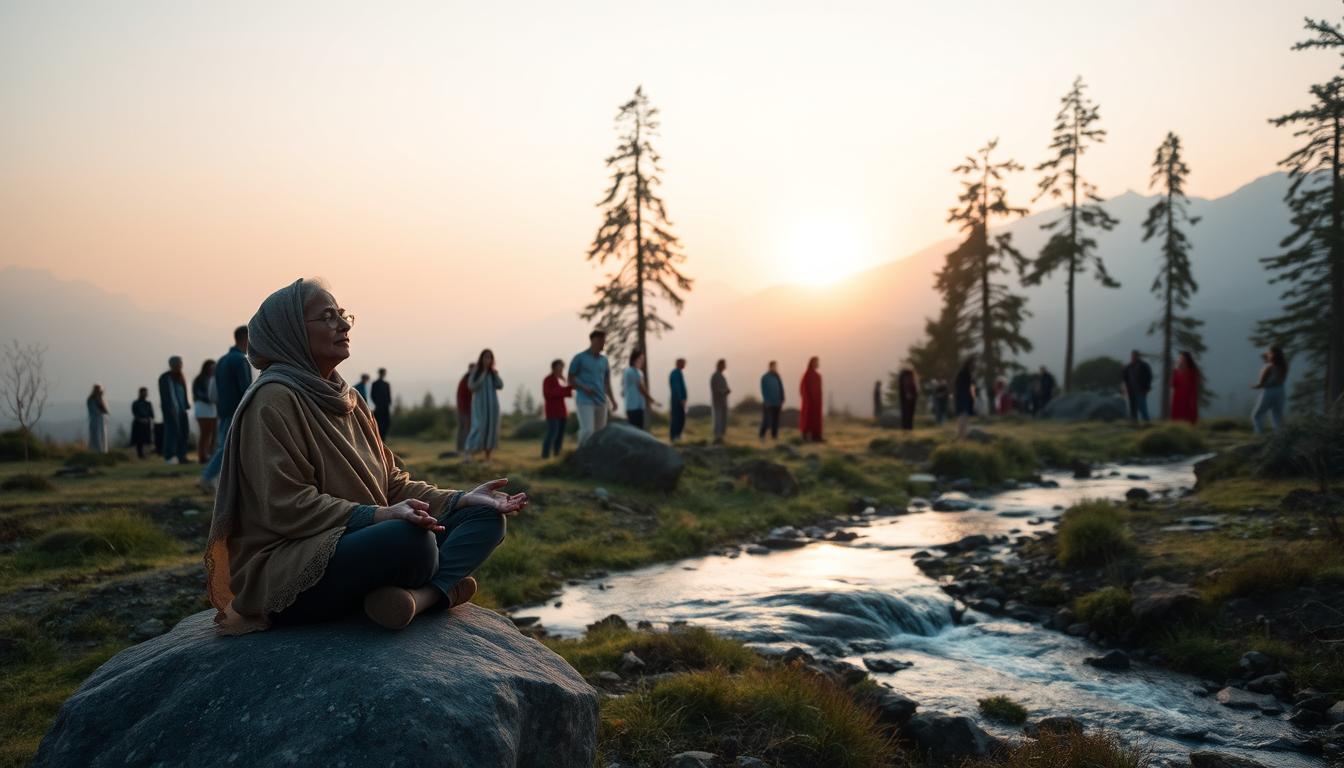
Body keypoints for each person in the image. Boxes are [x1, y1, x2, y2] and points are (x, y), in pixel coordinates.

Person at [204, 278, 525, 635]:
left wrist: (461, 499)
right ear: (291, 331)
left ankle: (418, 599)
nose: (342, 325)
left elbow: (391, 483)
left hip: (359, 544)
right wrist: (378, 515)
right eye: (327, 317)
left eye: (342, 314)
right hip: (291, 564)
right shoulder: (272, 400)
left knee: (486, 518)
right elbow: (285, 505)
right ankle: (442, 589)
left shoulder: (348, 400)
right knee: (410, 541)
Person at [202, 326, 254, 491]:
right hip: (236, 410)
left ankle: (225, 482)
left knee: (226, 446)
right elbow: (246, 389)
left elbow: (215, 390)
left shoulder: (222, 360)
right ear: (245, 338)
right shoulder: (240, 360)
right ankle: (208, 477)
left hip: (224, 409)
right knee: (227, 447)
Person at [569, 330, 617, 445]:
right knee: (588, 430)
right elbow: (570, 379)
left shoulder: (604, 360)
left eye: (604, 341)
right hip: (585, 400)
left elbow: (607, 382)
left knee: (600, 433)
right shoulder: (579, 358)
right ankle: (580, 454)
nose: (602, 344)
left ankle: (595, 458)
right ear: (592, 341)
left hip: (601, 401)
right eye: (600, 341)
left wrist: (613, 400)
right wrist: (584, 388)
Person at [465, 350, 504, 463]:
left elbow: (500, 385)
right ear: (481, 359)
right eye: (486, 357)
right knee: (478, 428)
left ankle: (488, 456)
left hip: (492, 406)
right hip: (480, 406)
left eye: (490, 358)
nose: (487, 360)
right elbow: (472, 386)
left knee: (491, 429)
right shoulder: (476, 371)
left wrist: (495, 375)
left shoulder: (492, 373)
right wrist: (482, 374)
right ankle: (469, 453)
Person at [158, 356, 190, 464]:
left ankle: (182, 456)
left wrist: (186, 404)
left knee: (184, 433)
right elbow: (165, 396)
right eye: (178, 364)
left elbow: (184, 392)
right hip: (170, 410)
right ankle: (170, 456)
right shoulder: (164, 378)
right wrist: (169, 409)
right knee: (172, 433)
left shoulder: (181, 377)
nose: (180, 366)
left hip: (182, 410)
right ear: (173, 365)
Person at [1251, 346, 1289, 434]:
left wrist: (1253, 386)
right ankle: (1280, 436)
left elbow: (1261, 384)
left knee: (1257, 415)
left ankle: (1259, 435)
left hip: (1269, 391)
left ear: (1271, 354)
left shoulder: (1268, 368)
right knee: (1277, 415)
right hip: (1281, 391)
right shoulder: (1285, 366)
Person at [541, 360, 573, 458]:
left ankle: (557, 453)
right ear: (554, 367)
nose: (561, 369)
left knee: (560, 434)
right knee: (552, 433)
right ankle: (545, 454)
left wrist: (563, 388)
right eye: (559, 367)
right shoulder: (548, 379)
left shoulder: (562, 380)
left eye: (562, 367)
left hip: (562, 411)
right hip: (552, 411)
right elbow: (548, 393)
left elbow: (569, 392)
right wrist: (562, 391)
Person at [623, 350, 658, 430]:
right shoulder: (630, 371)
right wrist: (651, 399)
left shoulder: (639, 372)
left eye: (643, 359)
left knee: (639, 429)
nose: (642, 361)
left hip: (639, 406)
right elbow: (641, 388)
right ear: (634, 359)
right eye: (640, 359)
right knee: (635, 430)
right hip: (632, 407)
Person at [193, 360, 219, 463]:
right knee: (204, 433)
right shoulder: (199, 379)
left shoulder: (214, 379)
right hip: (202, 408)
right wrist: (210, 398)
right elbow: (198, 393)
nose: (212, 369)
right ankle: (202, 456)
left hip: (212, 408)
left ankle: (210, 454)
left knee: (213, 433)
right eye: (210, 367)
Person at [1121, 350, 1153, 422]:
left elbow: (1149, 377)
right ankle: (1134, 424)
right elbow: (1124, 378)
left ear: (1138, 356)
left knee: (1143, 408)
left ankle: (1147, 423)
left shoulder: (1144, 365)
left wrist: (1147, 388)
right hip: (1131, 391)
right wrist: (1123, 370)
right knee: (1133, 409)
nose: (1133, 357)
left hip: (1141, 390)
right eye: (1132, 356)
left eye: (1134, 356)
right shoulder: (1128, 366)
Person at [1171, 351, 1201, 425]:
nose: (1180, 359)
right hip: (1178, 396)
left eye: (1182, 358)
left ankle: (1190, 428)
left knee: (1188, 414)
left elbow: (1194, 385)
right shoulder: (1177, 371)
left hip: (1188, 396)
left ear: (1187, 359)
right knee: (1177, 414)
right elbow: (1173, 384)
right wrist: (1175, 371)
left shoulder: (1192, 371)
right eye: (1180, 358)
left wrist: (1192, 398)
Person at [799, 356, 823, 442]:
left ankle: (816, 436)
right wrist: (808, 400)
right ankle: (805, 435)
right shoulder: (807, 375)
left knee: (816, 420)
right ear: (812, 363)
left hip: (817, 403)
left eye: (817, 362)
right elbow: (803, 389)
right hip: (809, 403)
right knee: (807, 419)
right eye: (816, 362)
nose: (817, 364)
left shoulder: (817, 376)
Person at [759, 361, 785, 443]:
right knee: (767, 420)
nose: (774, 368)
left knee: (776, 420)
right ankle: (762, 435)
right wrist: (767, 401)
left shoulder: (777, 377)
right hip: (768, 403)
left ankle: (774, 435)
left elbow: (781, 388)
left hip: (777, 402)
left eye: (775, 366)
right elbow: (764, 390)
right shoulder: (765, 377)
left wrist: (782, 398)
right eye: (773, 366)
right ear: (769, 367)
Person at [954, 356, 977, 440]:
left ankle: (962, 436)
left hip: (962, 397)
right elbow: (972, 387)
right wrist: (973, 399)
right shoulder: (967, 374)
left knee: (962, 416)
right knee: (964, 417)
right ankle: (962, 437)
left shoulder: (962, 373)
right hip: (964, 397)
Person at [455, 363, 475, 452]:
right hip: (464, 410)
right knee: (465, 430)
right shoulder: (466, 380)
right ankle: (463, 448)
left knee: (464, 429)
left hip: (465, 409)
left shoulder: (466, 379)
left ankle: (462, 448)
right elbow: (463, 396)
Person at [710, 359, 731, 444]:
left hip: (723, 402)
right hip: (718, 402)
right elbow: (716, 389)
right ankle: (717, 437)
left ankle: (721, 436)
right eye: (724, 365)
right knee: (718, 420)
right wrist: (725, 391)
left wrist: (726, 390)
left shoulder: (722, 376)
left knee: (723, 420)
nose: (725, 367)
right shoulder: (715, 376)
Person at [131, 387, 155, 459]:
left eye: (146, 393)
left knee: (147, 440)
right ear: (140, 393)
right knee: (139, 440)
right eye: (144, 392)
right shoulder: (135, 403)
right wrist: (141, 419)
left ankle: (146, 454)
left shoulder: (148, 403)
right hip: (138, 423)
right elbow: (135, 413)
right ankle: (140, 454)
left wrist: (148, 419)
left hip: (147, 423)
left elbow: (151, 414)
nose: (145, 394)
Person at [668, 358, 688, 442]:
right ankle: (675, 436)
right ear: (679, 363)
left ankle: (677, 435)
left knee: (680, 417)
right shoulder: (676, 373)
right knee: (678, 418)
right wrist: (681, 399)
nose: (684, 365)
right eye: (683, 363)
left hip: (677, 399)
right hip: (677, 400)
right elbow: (677, 387)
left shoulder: (678, 372)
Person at [87, 384, 109, 453]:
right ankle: (96, 451)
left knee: (102, 436)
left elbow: (106, 410)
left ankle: (103, 451)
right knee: (96, 436)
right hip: (95, 420)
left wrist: (100, 399)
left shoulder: (101, 399)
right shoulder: (91, 399)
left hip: (101, 420)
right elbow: (95, 410)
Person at [370, 369, 392, 439]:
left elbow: (372, 395)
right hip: (381, 407)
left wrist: (378, 403)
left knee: (383, 423)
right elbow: (373, 395)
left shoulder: (382, 384)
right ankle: (380, 439)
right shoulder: (378, 384)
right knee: (381, 424)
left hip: (382, 407)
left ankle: (382, 439)